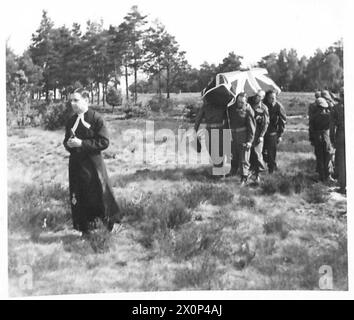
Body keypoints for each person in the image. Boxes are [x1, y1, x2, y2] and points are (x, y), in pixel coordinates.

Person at [63, 88, 120, 235]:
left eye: (76, 100)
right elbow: (66, 141)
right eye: (71, 100)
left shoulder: (96, 118)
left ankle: (107, 227)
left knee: (99, 195)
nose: (73, 104)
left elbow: (104, 142)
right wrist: (68, 144)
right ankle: (85, 229)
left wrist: (81, 144)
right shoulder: (71, 121)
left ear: (86, 100)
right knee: (79, 195)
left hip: (94, 165)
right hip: (76, 165)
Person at [227, 92, 256, 185]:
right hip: (234, 136)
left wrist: (250, 141)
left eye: (242, 102)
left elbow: (252, 127)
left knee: (244, 158)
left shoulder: (248, 110)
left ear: (246, 102)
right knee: (234, 156)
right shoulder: (232, 108)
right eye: (238, 102)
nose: (240, 104)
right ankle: (233, 171)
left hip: (243, 137)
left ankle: (244, 177)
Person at [194, 97, 228, 175]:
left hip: (220, 130)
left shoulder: (222, 106)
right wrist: (195, 130)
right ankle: (218, 170)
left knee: (220, 151)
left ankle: (219, 172)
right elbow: (198, 119)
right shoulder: (205, 107)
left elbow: (228, 119)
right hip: (209, 131)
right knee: (212, 151)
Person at [309, 97, 335, 183]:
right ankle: (328, 176)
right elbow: (334, 113)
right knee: (328, 157)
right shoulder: (328, 116)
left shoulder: (313, 117)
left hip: (317, 137)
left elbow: (311, 129)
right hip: (326, 137)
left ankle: (322, 177)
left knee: (320, 158)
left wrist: (312, 139)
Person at [262, 90, 287, 173]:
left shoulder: (279, 106)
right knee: (262, 152)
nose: (272, 99)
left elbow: (282, 121)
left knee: (271, 152)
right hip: (263, 132)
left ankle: (271, 169)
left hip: (273, 133)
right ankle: (266, 165)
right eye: (270, 98)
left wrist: (280, 135)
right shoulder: (263, 105)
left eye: (274, 98)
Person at [249, 90, 269, 183]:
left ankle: (258, 173)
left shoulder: (263, 108)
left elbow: (265, 123)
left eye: (259, 96)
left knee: (257, 154)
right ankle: (251, 172)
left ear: (262, 98)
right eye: (256, 96)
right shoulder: (250, 105)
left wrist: (261, 135)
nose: (257, 98)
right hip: (250, 133)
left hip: (258, 134)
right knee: (250, 154)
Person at [332, 88, 346, 193]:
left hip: (341, 134)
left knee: (342, 161)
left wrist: (332, 139)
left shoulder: (336, 108)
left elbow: (332, 127)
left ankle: (343, 186)